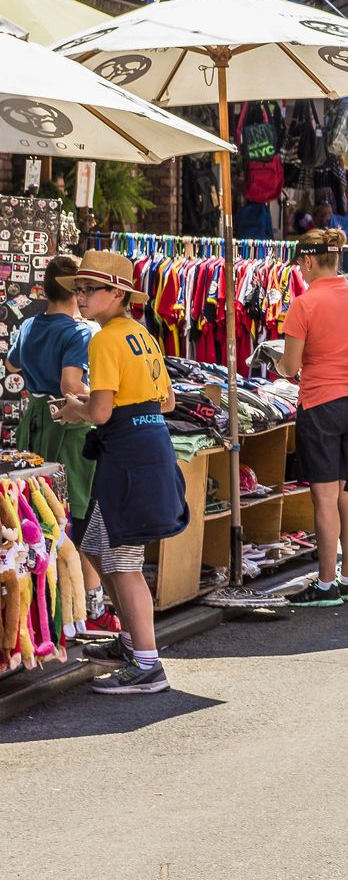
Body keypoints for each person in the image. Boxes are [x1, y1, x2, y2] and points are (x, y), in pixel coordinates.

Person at [60, 252, 186, 694]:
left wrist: (74, 409)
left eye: (89, 289)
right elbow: (167, 402)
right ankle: (132, 644)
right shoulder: (142, 335)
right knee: (96, 546)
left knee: (122, 559)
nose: (81, 296)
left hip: (129, 455)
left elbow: (99, 410)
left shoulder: (105, 339)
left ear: (118, 293)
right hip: (147, 447)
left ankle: (148, 664)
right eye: (78, 288)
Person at [8, 256, 116, 633]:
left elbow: (12, 366)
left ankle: (48, 604)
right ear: (75, 290)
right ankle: (90, 605)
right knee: (79, 515)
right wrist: (103, 397)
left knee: (37, 512)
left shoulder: (27, 324)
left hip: (33, 422)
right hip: (68, 425)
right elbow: (72, 384)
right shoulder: (80, 332)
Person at [281, 229, 348, 608]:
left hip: (320, 405)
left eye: (299, 265)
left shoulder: (304, 304)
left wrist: (274, 357)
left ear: (307, 261)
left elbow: (290, 366)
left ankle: (325, 584)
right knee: (347, 497)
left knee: (323, 500)